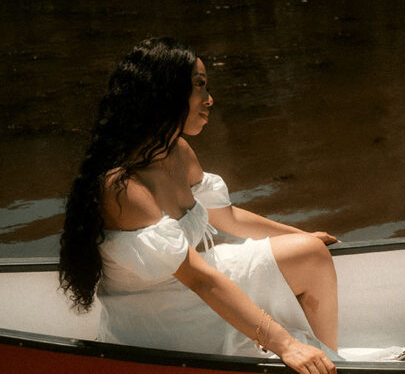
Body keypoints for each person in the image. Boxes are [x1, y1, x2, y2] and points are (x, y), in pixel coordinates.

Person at [59, 37, 340, 373]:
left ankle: (330, 361)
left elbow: (228, 217)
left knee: (310, 253)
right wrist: (286, 345)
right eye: (199, 87)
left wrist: (301, 234)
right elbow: (200, 279)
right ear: (165, 92)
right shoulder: (123, 187)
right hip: (165, 321)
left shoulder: (177, 150)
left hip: (199, 281)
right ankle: (311, 360)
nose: (210, 99)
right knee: (287, 295)